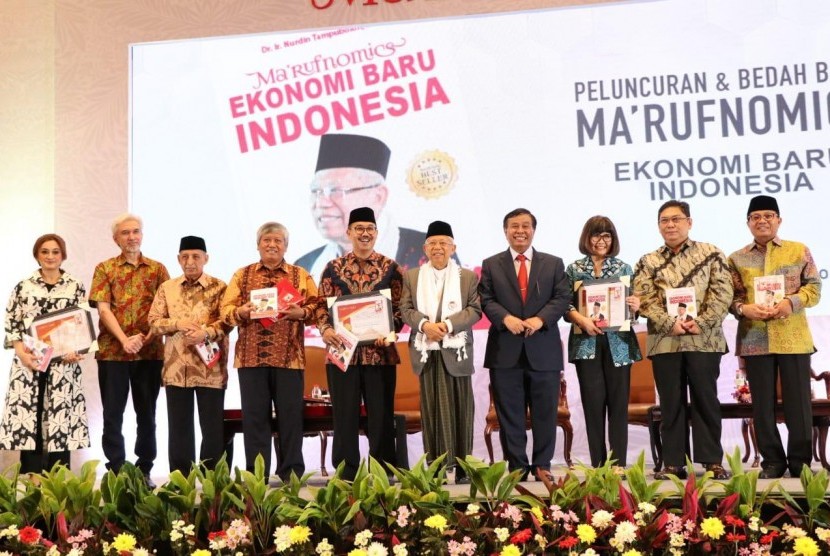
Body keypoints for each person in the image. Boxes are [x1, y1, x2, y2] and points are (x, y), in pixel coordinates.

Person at [633, 200, 733, 480]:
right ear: (658, 226)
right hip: (666, 342)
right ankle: (673, 462)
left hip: (704, 340)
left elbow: (723, 294)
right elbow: (644, 299)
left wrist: (698, 322)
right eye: (664, 220)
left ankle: (712, 460)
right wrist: (670, 323)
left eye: (676, 219)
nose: (670, 225)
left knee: (706, 400)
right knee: (671, 402)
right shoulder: (647, 261)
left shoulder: (711, 254)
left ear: (689, 222)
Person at [728, 195, 822, 478]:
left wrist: (789, 303)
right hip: (755, 337)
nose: (762, 221)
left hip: (793, 337)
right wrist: (745, 309)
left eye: (768, 215)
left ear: (779, 220)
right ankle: (772, 462)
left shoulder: (798, 251)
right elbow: (732, 299)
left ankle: (800, 463)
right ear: (748, 223)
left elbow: (814, 289)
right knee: (762, 407)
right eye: (756, 217)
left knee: (799, 405)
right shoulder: (736, 258)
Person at [220, 222, 318, 481]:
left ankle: (291, 475)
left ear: (286, 245)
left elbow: (318, 309)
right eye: (267, 240)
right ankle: (256, 476)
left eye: (278, 241)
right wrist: (240, 311)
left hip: (290, 358)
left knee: (290, 420)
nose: (272, 245)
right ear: (258, 244)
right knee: (255, 420)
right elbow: (225, 310)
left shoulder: (300, 275)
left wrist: (302, 313)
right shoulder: (242, 275)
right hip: (251, 360)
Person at [479, 208, 570, 481]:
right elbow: (486, 299)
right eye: (514, 226)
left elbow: (562, 297)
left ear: (534, 230)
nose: (520, 230)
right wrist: (505, 318)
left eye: (526, 226)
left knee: (545, 413)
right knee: (510, 415)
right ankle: (517, 467)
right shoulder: (492, 263)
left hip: (543, 349)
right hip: (505, 351)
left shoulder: (553, 263)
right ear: (505, 230)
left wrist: (541, 319)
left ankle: (543, 465)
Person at [315, 206, 404, 481]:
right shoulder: (333, 268)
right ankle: (346, 474)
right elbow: (320, 306)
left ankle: (383, 473)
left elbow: (400, 309)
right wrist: (326, 329)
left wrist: (391, 331)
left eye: (369, 229)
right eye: (359, 229)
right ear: (349, 233)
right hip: (343, 356)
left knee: (381, 416)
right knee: (344, 417)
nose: (364, 234)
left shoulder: (391, 268)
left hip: (380, 355)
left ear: (376, 233)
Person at [90, 214, 169, 488]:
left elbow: (165, 310)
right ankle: (116, 471)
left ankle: (144, 470)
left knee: (147, 415)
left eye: (136, 232)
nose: (131, 237)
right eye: (125, 233)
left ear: (142, 235)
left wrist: (145, 339)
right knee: (112, 414)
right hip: (113, 353)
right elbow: (103, 308)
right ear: (116, 239)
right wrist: (125, 339)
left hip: (149, 354)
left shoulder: (158, 270)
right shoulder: (104, 268)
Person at [399, 221, 481, 484]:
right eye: (432, 243)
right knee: (432, 411)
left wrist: (447, 326)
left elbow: (475, 310)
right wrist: (425, 325)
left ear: (453, 247)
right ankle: (435, 469)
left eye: (443, 243)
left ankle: (463, 468)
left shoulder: (467, 277)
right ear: (425, 247)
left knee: (462, 410)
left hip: (456, 353)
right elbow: (406, 309)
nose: (438, 248)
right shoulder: (412, 276)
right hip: (428, 353)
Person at [0, 234, 90, 472]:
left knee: (60, 422)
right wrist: (22, 354)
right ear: (37, 255)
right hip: (30, 363)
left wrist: (74, 351)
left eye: (55, 252)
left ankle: (58, 488)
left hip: (63, 365)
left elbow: (80, 325)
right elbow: (12, 324)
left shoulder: (75, 285)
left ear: (63, 255)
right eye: (45, 252)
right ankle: (32, 483)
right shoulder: (24, 286)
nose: (50, 256)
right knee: (32, 421)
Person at [148, 236, 230, 475]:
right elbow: (153, 322)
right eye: (185, 257)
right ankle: (181, 483)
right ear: (178, 259)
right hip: (176, 369)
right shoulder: (167, 288)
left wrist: (205, 332)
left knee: (212, 428)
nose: (190, 262)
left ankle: (211, 482)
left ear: (206, 258)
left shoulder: (219, 287)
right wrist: (177, 323)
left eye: (196, 256)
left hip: (210, 369)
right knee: (179, 429)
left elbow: (227, 322)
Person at [564, 216, 641, 469]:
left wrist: (635, 306)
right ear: (587, 238)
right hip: (586, 342)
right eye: (596, 235)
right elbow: (565, 305)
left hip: (619, 343)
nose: (601, 241)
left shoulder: (625, 268)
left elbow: (633, 311)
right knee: (592, 404)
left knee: (618, 405)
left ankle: (618, 463)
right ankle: (598, 463)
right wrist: (580, 318)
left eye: (607, 236)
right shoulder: (574, 269)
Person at [295, 133, 426, 280]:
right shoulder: (305, 267)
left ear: (378, 196)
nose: (321, 203)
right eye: (316, 191)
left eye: (336, 190)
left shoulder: (429, 252)